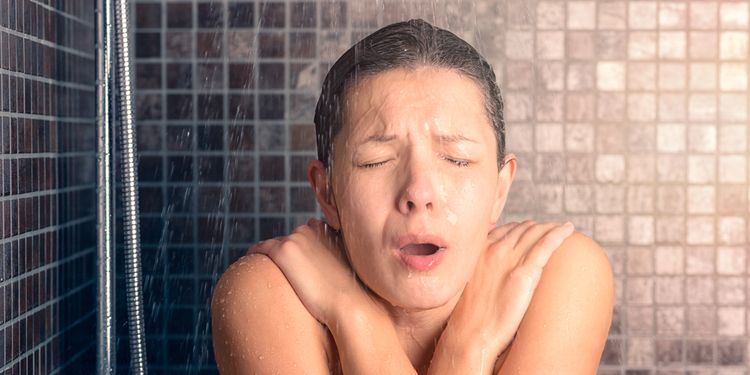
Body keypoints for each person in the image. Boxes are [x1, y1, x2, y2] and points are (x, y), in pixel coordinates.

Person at [211, 19, 613, 374]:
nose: (419, 192)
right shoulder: (266, 294)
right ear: (328, 193)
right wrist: (360, 317)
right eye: (376, 161)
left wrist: (467, 341)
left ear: (500, 189)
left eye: (456, 159)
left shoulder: (554, 274)